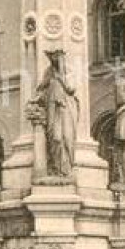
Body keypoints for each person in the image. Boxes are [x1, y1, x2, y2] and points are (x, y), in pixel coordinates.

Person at [34, 49, 78, 178]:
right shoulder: (49, 72)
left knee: (66, 138)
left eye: (57, 57)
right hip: (52, 109)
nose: (55, 60)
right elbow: (41, 89)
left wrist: (60, 79)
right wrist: (36, 99)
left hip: (65, 108)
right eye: (52, 57)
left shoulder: (68, 71)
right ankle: (55, 167)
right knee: (54, 137)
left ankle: (66, 168)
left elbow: (71, 89)